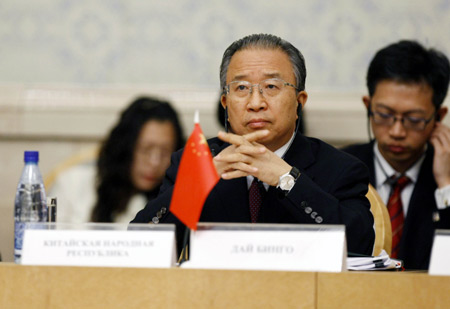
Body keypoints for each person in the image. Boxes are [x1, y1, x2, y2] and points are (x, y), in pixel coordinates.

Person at [131, 34, 375, 256]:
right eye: (242, 88)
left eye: (271, 87)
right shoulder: (196, 160)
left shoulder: (340, 168)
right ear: (226, 103)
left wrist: (287, 179)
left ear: (300, 102)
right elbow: (140, 247)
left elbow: (359, 245)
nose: (255, 102)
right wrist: (196, 185)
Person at [342, 40, 450, 270]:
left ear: (439, 116)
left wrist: (445, 186)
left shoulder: (446, 175)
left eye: (414, 120)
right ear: (367, 105)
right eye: (384, 114)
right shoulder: (339, 167)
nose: (397, 131)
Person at [51, 97, 184, 224]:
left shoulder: (177, 199)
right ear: (125, 147)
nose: (154, 162)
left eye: (166, 152)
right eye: (145, 149)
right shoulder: (73, 184)